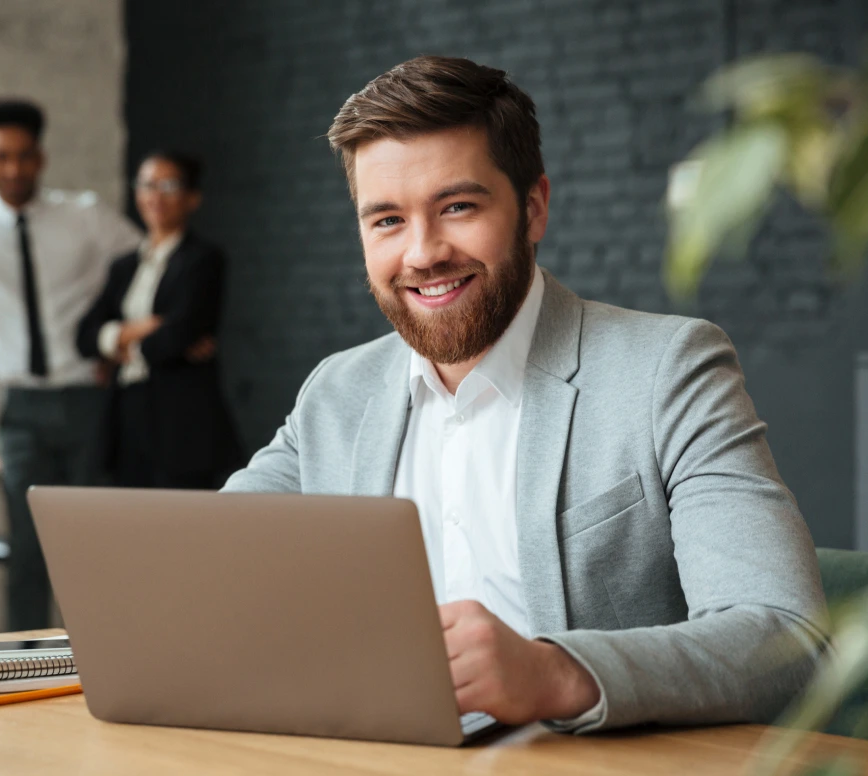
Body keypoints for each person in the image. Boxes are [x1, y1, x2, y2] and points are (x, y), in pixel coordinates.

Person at [222, 56, 829, 732]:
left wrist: (552, 673)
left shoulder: (667, 371)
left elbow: (787, 640)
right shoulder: (337, 392)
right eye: (387, 220)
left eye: (457, 207)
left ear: (533, 208)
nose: (423, 253)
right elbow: (206, 562)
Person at [0, 99, 143, 631]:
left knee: (91, 544)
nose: (13, 169)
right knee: (26, 548)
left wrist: (116, 338)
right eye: (1, 157)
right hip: (20, 407)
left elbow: (145, 263)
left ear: (40, 158)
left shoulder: (84, 215)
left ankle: (102, 657)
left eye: (23, 156)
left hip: (86, 397)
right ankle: (23, 665)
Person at [76, 151, 240, 490]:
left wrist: (119, 349)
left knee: (183, 530)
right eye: (147, 185)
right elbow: (83, 337)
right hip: (127, 416)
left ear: (192, 198)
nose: (155, 196)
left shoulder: (203, 260)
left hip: (182, 421)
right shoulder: (122, 267)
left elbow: (178, 335)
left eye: (169, 185)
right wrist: (139, 331)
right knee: (129, 526)